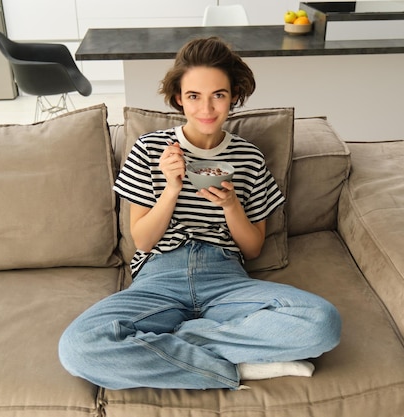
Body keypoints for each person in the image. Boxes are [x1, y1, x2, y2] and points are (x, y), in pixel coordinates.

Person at [58, 37, 341, 390]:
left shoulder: (249, 158)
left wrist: (231, 205)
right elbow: (142, 240)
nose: (206, 108)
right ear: (179, 97)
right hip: (159, 277)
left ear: (234, 96)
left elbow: (252, 248)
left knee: (322, 322)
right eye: (194, 96)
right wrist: (171, 188)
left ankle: (190, 343)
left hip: (225, 278)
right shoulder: (149, 150)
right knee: (77, 347)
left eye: (218, 95)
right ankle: (236, 365)